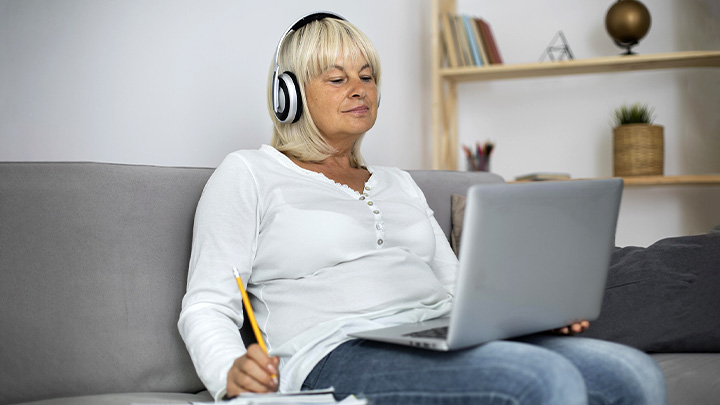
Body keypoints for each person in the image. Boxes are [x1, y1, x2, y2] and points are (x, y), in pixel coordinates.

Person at [178, 13, 667, 404]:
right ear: (289, 95)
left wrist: (529, 316)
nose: (359, 88)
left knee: (633, 372)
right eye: (337, 78)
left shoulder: (399, 184)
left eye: (367, 77)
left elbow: (458, 291)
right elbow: (206, 304)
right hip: (335, 348)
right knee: (538, 379)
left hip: (438, 334)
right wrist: (227, 372)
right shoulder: (248, 173)